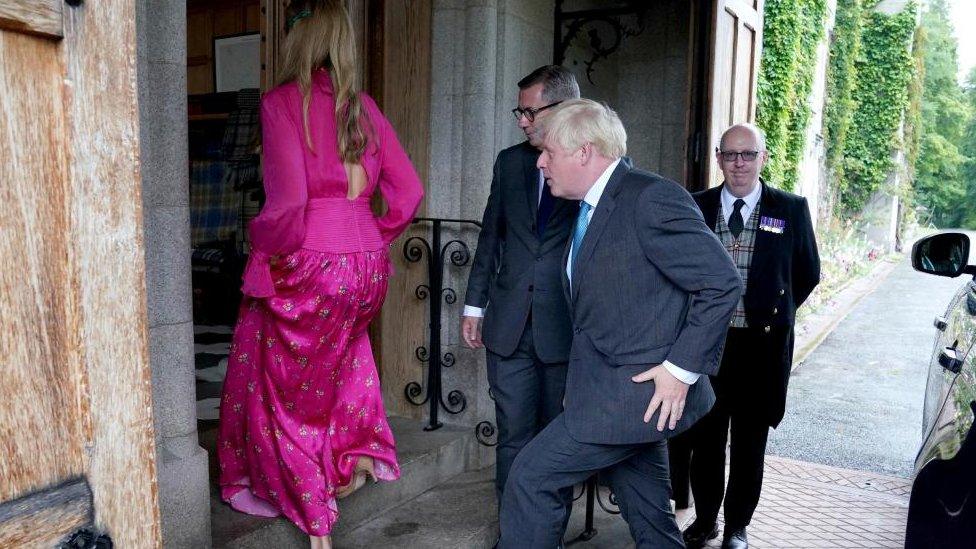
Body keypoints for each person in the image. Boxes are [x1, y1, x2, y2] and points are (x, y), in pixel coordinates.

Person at [216, 2, 424, 548]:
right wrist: (370, 236)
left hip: (313, 262)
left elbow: (286, 206)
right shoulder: (365, 108)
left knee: (285, 388)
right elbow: (410, 193)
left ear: (297, 42)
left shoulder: (282, 104)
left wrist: (262, 249)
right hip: (367, 268)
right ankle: (351, 461)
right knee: (345, 361)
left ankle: (316, 519)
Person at [498, 99, 741, 548]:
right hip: (614, 396)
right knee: (651, 520)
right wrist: (582, 382)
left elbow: (721, 283)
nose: (541, 162)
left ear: (584, 152)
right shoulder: (591, 205)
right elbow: (603, 315)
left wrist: (680, 370)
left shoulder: (650, 197)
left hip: (634, 399)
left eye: (549, 152)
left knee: (531, 479)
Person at [674, 123, 820, 549]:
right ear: (718, 158)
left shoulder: (789, 208)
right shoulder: (695, 206)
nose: (739, 163)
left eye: (748, 154)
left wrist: (770, 312)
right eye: (730, 155)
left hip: (761, 348)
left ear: (763, 157)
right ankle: (705, 522)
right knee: (705, 439)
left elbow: (806, 273)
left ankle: (737, 526)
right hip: (707, 347)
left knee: (750, 443)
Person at [461, 65, 581, 507]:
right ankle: (514, 532)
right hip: (508, 327)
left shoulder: (594, 164)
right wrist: (475, 306)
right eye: (520, 112)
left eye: (529, 112)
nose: (522, 120)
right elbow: (491, 235)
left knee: (556, 439)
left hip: (565, 330)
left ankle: (546, 533)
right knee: (512, 434)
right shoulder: (511, 163)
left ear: (564, 108)